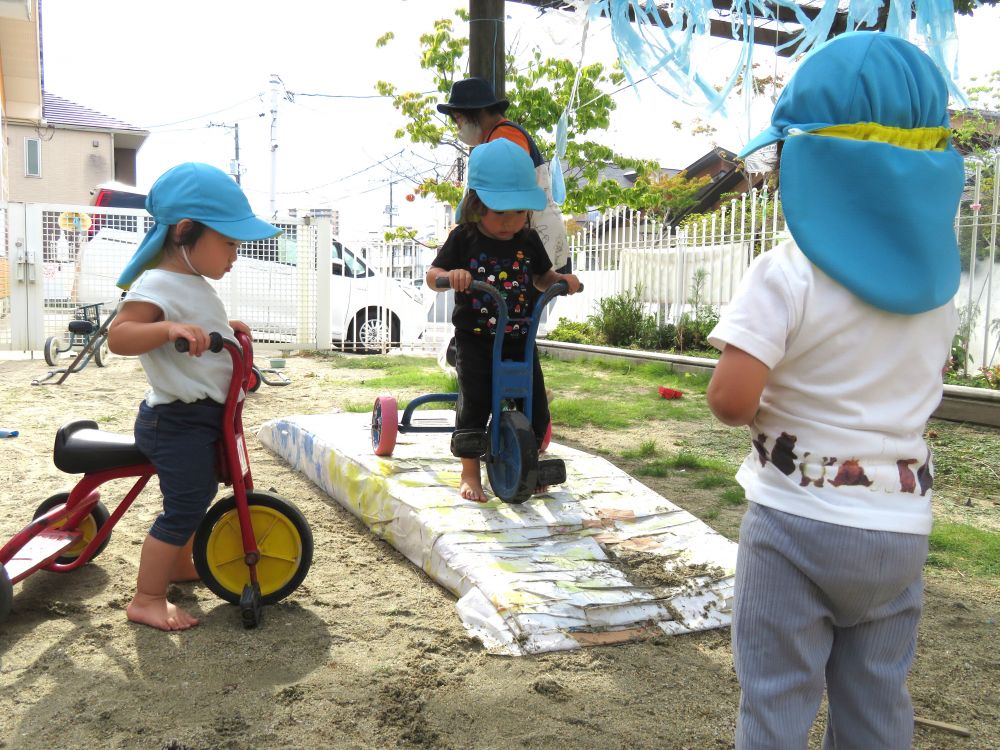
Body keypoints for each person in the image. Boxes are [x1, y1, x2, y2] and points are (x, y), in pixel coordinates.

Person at [704, 33, 963, 749]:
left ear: (806, 167)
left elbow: (730, 399)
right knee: (877, 698)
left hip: (797, 523)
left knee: (777, 701)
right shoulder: (938, 291)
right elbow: (922, 380)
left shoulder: (786, 274)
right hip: (899, 531)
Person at [108, 162, 282, 631]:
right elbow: (119, 336)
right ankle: (146, 598)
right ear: (186, 232)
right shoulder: (157, 283)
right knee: (185, 504)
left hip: (201, 417)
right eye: (229, 243)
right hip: (177, 421)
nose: (236, 254)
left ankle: (184, 564)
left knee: (201, 492)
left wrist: (227, 331)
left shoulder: (189, 282)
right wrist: (166, 329)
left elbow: (201, 331)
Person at [426, 138, 581, 502]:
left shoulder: (526, 240)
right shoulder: (463, 238)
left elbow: (542, 277)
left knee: (536, 405)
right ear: (478, 205)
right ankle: (469, 472)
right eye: (501, 212)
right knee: (476, 401)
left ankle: (530, 463)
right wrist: (454, 276)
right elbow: (433, 275)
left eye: (518, 212)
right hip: (475, 338)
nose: (510, 222)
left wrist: (561, 280)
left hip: (518, 336)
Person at [438, 76, 571, 273]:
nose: (459, 128)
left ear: (476, 112)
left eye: (459, 120)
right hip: (529, 238)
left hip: (530, 246)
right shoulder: (497, 137)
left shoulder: (504, 139)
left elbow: (507, 191)